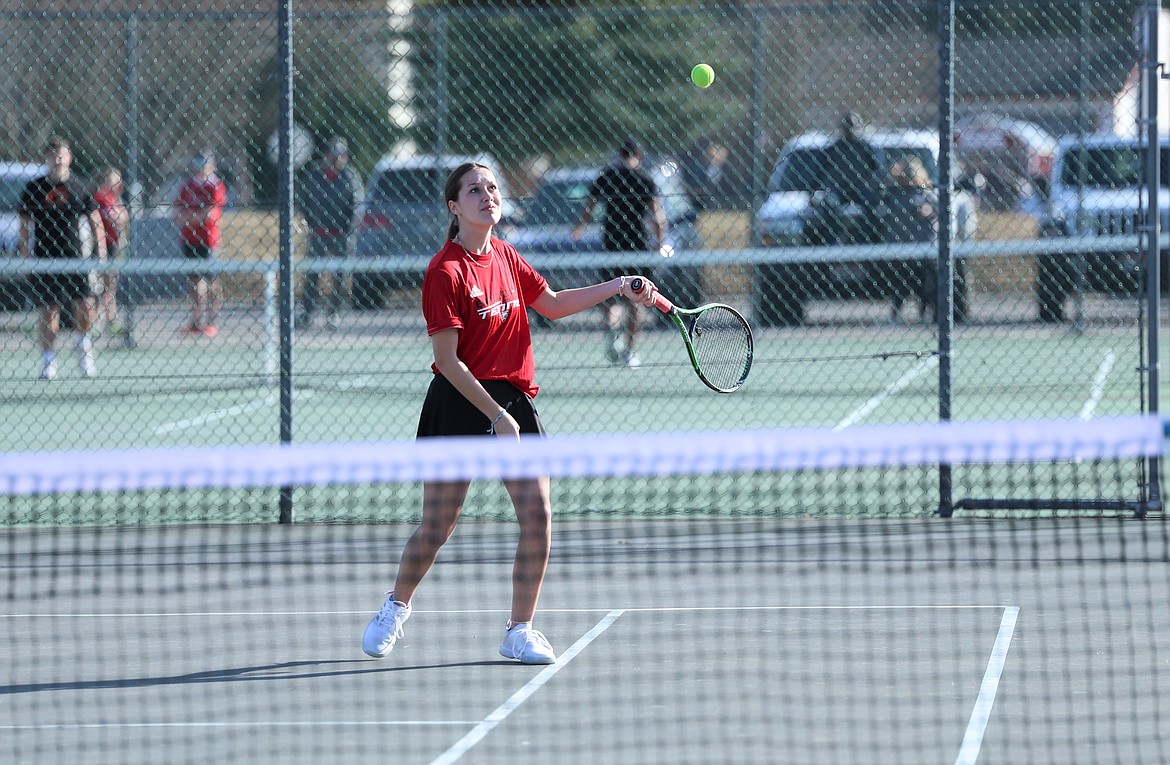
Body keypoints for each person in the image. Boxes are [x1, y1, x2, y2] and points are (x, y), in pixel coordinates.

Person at [361, 161, 659, 665]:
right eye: (474, 190)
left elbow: (555, 303)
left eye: (493, 188)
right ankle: (395, 607)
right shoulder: (444, 271)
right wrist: (496, 415)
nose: (487, 195)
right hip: (460, 402)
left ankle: (519, 630)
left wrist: (618, 284)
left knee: (538, 515)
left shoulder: (506, 256)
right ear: (455, 207)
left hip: (514, 402)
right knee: (437, 527)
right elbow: (446, 361)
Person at [572, 138, 670, 368]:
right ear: (639, 155)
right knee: (636, 301)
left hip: (612, 245)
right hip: (637, 246)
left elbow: (589, 207)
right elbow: (657, 215)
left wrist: (578, 228)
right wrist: (660, 241)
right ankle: (629, 350)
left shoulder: (607, 176)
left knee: (609, 296)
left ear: (619, 154)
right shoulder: (645, 179)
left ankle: (613, 334)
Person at [18, 136, 107, 380]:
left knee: (85, 307)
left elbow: (95, 221)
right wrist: (25, 257)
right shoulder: (34, 188)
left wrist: (101, 255)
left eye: (61, 154)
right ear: (45, 158)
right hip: (45, 259)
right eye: (52, 154)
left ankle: (83, 347)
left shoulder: (80, 186)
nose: (57, 158)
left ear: (69, 157)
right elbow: (25, 226)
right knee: (49, 312)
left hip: (76, 258)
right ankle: (48, 361)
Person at [297, 137, 362, 329]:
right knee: (311, 274)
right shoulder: (315, 175)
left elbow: (356, 205)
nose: (337, 159)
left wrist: (347, 230)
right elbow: (305, 201)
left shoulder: (349, 177)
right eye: (333, 154)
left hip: (341, 235)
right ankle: (307, 313)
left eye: (341, 155)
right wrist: (311, 224)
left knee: (339, 277)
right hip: (318, 234)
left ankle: (333, 314)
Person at [174, 150, 226, 337]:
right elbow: (178, 215)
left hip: (208, 240)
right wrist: (195, 217)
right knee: (195, 283)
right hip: (190, 240)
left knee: (210, 283)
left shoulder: (215, 186)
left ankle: (212, 321)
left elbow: (211, 214)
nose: (201, 167)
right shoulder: (187, 186)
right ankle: (197, 320)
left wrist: (191, 217)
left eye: (204, 163)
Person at [883, 156, 939, 323]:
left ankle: (923, 314)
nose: (906, 176)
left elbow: (938, 211)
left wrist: (929, 211)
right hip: (900, 249)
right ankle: (895, 315)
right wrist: (892, 174)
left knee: (924, 286)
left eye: (910, 172)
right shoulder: (893, 193)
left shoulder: (926, 193)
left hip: (923, 249)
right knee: (899, 285)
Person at [92, 167, 129, 341]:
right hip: (102, 245)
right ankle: (97, 321)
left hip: (114, 245)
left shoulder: (115, 198)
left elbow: (124, 217)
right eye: (114, 180)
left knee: (111, 286)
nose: (117, 184)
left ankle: (111, 319)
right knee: (102, 286)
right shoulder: (101, 196)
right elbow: (116, 218)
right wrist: (119, 214)